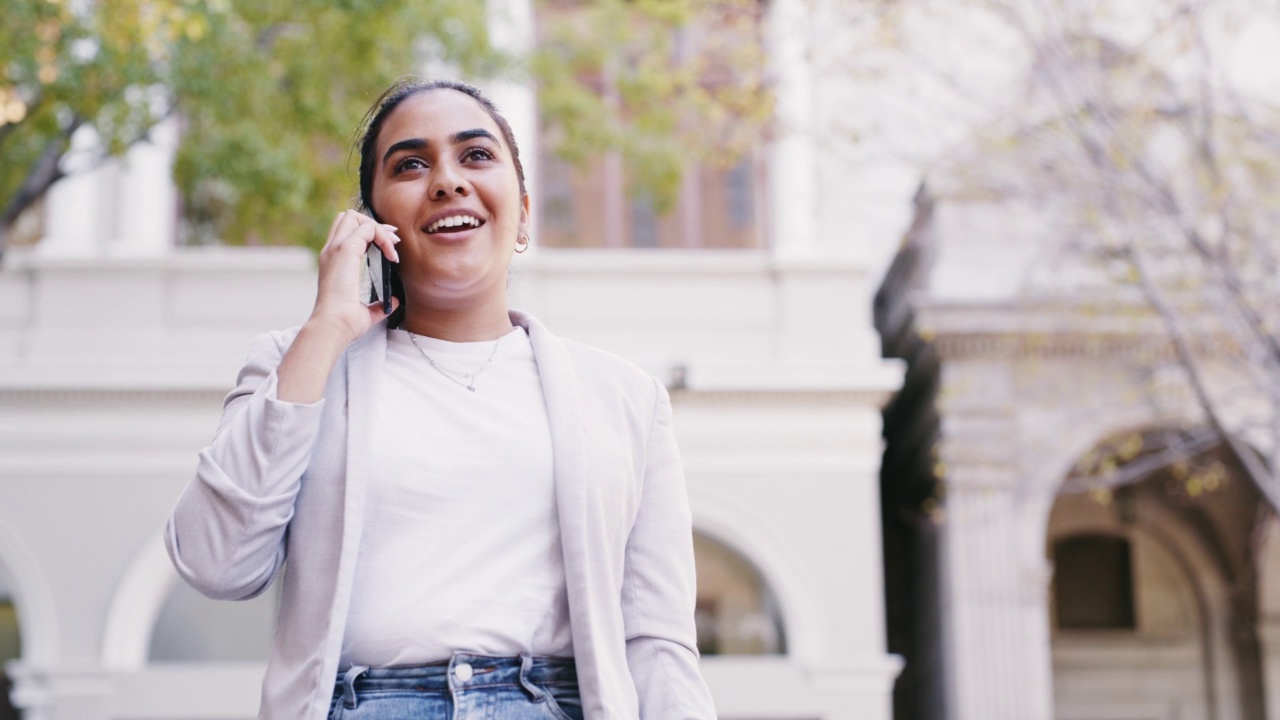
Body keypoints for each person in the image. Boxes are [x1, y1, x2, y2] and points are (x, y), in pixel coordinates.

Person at [164, 79, 717, 720]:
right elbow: (215, 562)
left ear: (524, 212)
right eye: (411, 164)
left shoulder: (624, 397)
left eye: (476, 155)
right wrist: (326, 328)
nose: (448, 181)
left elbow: (657, 637)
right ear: (370, 223)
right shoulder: (300, 366)